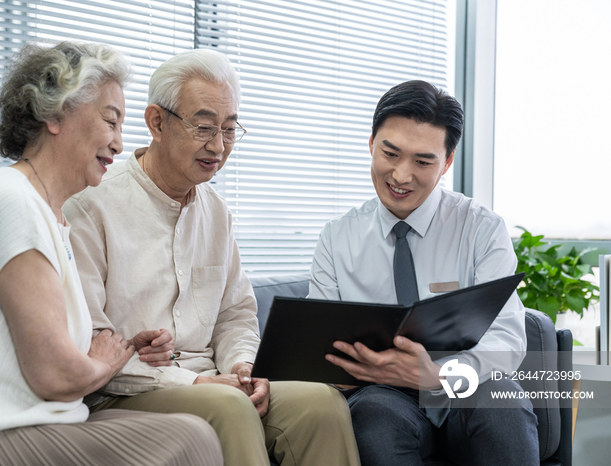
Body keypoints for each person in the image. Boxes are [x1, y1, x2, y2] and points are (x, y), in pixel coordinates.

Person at [0, 41, 223, 466]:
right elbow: (57, 374)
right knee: (190, 440)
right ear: (55, 115)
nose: (118, 143)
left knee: (192, 434)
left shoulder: (50, 214)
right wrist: (104, 363)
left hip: (33, 422)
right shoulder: (9, 200)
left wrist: (126, 347)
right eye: (110, 121)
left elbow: (64, 347)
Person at [62, 48, 360, 466]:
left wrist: (244, 368)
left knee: (322, 403)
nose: (218, 146)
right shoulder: (91, 204)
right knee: (229, 407)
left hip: (213, 382)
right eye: (203, 127)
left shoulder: (217, 212)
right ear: (156, 122)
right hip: (125, 393)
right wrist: (197, 380)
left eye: (230, 129)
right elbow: (89, 341)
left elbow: (235, 314)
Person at [309, 80, 540, 465]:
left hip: (465, 384)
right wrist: (347, 370)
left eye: (422, 161)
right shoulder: (337, 237)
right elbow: (319, 343)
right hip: (382, 393)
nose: (401, 175)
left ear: (447, 162)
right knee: (374, 419)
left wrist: (440, 376)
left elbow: (507, 336)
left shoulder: (481, 228)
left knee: (503, 407)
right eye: (391, 153)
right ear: (371, 144)